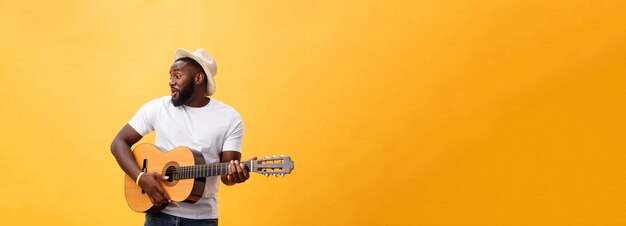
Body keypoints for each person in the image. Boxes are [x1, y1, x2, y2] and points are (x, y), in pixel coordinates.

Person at [111, 48, 254, 226]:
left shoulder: (230, 118)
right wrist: (140, 178)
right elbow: (118, 143)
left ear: (198, 78)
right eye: (170, 76)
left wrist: (235, 175)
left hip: (202, 220)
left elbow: (226, 175)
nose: (171, 82)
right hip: (158, 215)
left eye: (177, 76)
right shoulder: (158, 108)